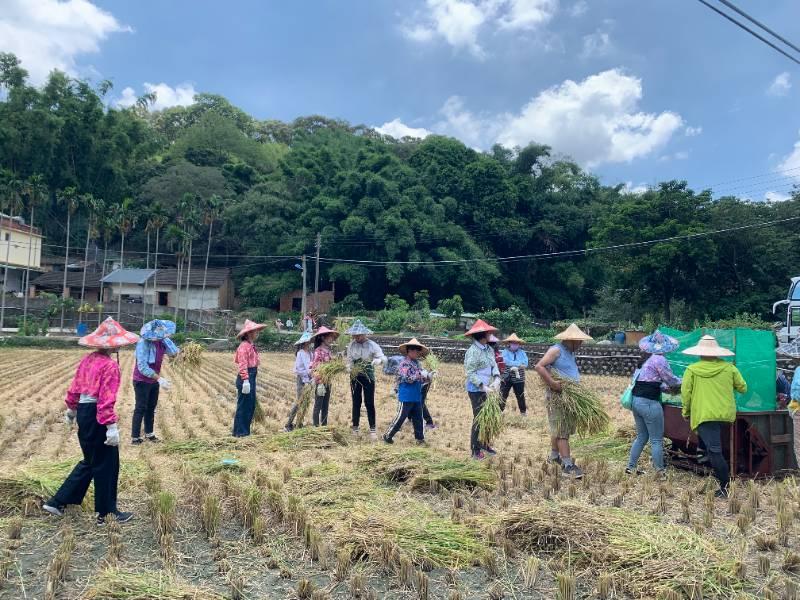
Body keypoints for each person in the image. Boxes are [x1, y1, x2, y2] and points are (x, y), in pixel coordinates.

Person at [43, 317, 140, 525]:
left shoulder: (88, 360)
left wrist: (71, 410)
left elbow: (75, 388)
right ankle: (107, 513)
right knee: (107, 464)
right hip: (97, 415)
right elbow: (106, 400)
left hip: (85, 413)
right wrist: (111, 426)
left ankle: (57, 501)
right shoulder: (110, 366)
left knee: (91, 461)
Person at [681, 335, 747, 497]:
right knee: (710, 445)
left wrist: (686, 412)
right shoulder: (729, 368)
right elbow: (743, 388)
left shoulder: (692, 370)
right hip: (724, 415)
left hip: (704, 415)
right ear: (718, 352)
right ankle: (702, 453)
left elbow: (686, 394)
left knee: (715, 451)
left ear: (699, 353)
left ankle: (725, 486)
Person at [534, 323, 592, 478]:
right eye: (579, 341)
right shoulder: (556, 350)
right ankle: (568, 466)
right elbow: (539, 366)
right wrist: (552, 383)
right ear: (570, 340)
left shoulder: (569, 352)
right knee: (562, 432)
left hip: (569, 397)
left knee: (560, 427)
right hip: (557, 398)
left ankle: (554, 456)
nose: (580, 344)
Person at [625, 330, 682, 480]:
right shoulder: (659, 359)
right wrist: (686, 381)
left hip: (636, 401)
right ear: (666, 347)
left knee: (642, 436)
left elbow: (652, 382)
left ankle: (631, 467)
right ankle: (660, 472)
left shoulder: (644, 360)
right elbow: (671, 380)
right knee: (656, 439)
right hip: (649, 402)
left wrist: (665, 388)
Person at [131, 319, 180, 445]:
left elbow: (173, 352)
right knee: (141, 407)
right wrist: (158, 378)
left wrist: (181, 355)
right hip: (141, 380)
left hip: (153, 380)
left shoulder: (163, 341)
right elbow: (142, 367)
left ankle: (149, 434)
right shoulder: (143, 343)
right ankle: (135, 437)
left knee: (151, 407)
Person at [463, 319, 501, 460]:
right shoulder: (473, 351)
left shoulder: (489, 349)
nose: (491, 334)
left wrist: (497, 378)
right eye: (489, 332)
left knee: (489, 417)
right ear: (483, 335)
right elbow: (470, 372)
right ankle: (475, 449)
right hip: (476, 390)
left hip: (490, 388)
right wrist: (482, 386)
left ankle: (485, 443)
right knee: (479, 419)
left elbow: (494, 365)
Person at [384, 338, 432, 445]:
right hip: (406, 396)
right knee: (401, 417)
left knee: (418, 418)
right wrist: (420, 375)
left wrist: (428, 377)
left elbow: (422, 380)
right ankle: (388, 435)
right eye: (413, 350)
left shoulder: (418, 364)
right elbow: (407, 378)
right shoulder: (404, 364)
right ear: (408, 351)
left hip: (416, 396)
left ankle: (420, 439)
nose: (416, 352)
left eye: (417, 350)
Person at [345, 320, 387, 440]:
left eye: (358, 335)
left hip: (368, 376)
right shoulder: (352, 345)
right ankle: (355, 427)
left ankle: (372, 429)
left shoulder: (372, 345)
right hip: (355, 376)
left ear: (364, 334)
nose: (356, 337)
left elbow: (383, 357)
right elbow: (349, 360)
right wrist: (349, 367)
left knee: (369, 402)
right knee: (356, 401)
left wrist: (378, 361)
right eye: (354, 335)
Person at [233, 319, 267, 437]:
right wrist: (246, 380)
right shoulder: (244, 346)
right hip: (245, 378)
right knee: (244, 406)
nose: (257, 333)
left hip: (252, 376)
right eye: (254, 331)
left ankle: (243, 431)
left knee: (250, 405)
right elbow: (242, 364)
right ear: (248, 333)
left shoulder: (251, 345)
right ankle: (240, 433)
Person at [309, 326, 339, 426]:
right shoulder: (318, 351)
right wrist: (319, 382)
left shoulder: (328, 351)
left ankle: (324, 426)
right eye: (329, 337)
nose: (331, 339)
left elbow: (330, 366)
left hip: (328, 381)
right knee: (318, 405)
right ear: (323, 338)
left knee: (325, 405)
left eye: (331, 337)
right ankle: (316, 426)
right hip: (321, 382)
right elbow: (315, 368)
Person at [285, 331, 313, 431]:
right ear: (305, 342)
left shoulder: (310, 353)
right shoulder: (301, 353)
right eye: (309, 341)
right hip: (302, 379)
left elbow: (312, 365)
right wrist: (309, 373)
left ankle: (299, 423)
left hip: (309, 380)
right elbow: (301, 369)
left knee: (305, 402)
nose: (310, 342)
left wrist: (312, 375)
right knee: (299, 402)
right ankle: (288, 424)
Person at [500, 333, 528, 416]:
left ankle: (523, 412)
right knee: (503, 394)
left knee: (520, 395)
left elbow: (525, 364)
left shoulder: (522, 353)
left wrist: (515, 364)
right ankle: (499, 411)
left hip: (519, 377)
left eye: (516, 343)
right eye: (513, 343)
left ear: (519, 344)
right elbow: (506, 361)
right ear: (509, 343)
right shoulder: (504, 352)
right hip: (506, 376)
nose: (515, 345)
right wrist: (519, 364)